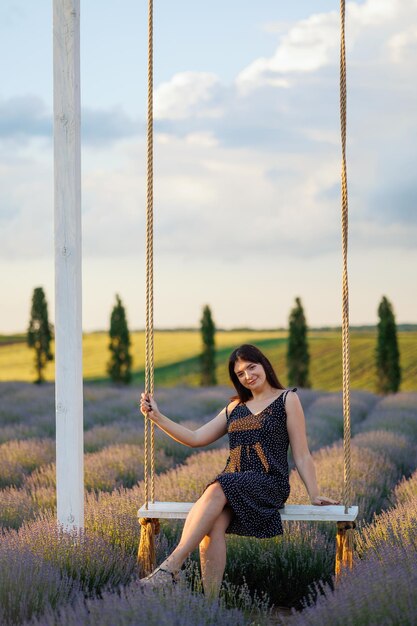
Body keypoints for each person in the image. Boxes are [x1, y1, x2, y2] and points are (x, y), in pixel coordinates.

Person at [139, 344, 340, 596]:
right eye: (240, 373)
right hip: (232, 485)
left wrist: (314, 493)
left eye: (251, 367)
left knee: (218, 486)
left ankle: (170, 567)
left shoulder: (287, 399)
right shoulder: (235, 407)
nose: (247, 376)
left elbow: (302, 453)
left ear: (264, 364)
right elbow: (195, 437)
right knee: (211, 529)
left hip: (268, 483)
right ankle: (210, 605)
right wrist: (157, 417)